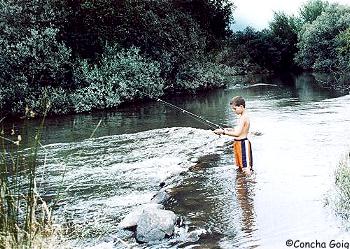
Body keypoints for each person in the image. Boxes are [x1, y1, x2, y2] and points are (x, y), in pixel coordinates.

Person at [214, 96, 253, 175]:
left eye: (235, 109)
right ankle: (242, 184)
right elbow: (239, 130)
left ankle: (250, 184)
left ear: (241, 106)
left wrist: (223, 132)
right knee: (240, 167)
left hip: (243, 144)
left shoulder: (244, 117)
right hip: (238, 143)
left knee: (246, 168)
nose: (233, 111)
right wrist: (230, 129)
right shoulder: (242, 116)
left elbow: (237, 134)